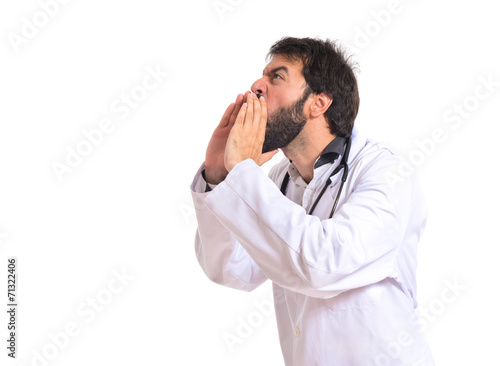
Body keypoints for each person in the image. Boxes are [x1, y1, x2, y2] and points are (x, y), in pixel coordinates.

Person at [190, 37, 434, 365]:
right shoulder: (279, 179)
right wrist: (219, 175)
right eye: (262, 75)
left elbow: (324, 265)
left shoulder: (386, 170)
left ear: (317, 103)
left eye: (277, 76)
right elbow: (233, 270)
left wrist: (243, 174)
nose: (256, 86)